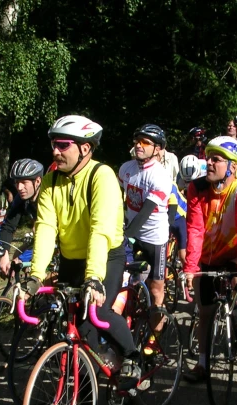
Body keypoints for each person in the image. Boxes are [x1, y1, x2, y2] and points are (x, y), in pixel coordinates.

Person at [29, 115, 142, 388]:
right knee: (76, 326)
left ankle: (132, 355)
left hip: (106, 256)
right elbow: (45, 227)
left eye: (63, 144)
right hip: (71, 258)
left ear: (85, 148)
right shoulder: (51, 180)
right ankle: (85, 388)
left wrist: (93, 278)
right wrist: (35, 274)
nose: (56, 151)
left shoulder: (100, 175)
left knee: (98, 312)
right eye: (54, 144)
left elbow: (100, 230)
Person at [183, 136, 237, 382]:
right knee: (204, 313)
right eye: (208, 158)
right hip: (206, 258)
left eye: (216, 159)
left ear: (233, 166)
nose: (209, 164)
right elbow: (194, 230)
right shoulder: (197, 188)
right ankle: (202, 364)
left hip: (233, 257)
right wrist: (191, 268)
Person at [119, 124, 172, 329]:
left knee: (156, 288)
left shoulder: (160, 176)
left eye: (145, 142)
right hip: (133, 234)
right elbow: (118, 200)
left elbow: (146, 211)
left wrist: (127, 234)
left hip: (154, 238)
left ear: (158, 149)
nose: (138, 146)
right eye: (137, 141)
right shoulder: (126, 169)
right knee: (126, 283)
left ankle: (154, 338)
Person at [0, 158, 44, 277]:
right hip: (40, 237)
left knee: (19, 260)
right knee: (16, 255)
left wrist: (22, 259)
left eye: (24, 182)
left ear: (37, 181)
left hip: (58, 241)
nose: (19, 187)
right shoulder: (22, 198)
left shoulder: (47, 196)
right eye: (17, 182)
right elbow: (8, 226)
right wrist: (4, 253)